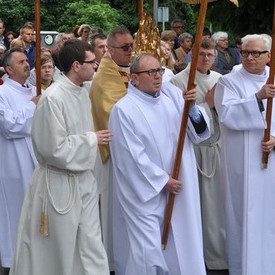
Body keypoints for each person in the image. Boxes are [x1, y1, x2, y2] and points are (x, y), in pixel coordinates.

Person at [10, 39, 109, 274]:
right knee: (60, 251)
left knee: (91, 245)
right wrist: (93, 139)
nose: (96, 66)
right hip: (58, 184)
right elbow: (52, 148)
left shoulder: (83, 91)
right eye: (92, 62)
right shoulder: (53, 98)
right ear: (76, 65)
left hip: (83, 180)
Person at [110, 53, 209, 275]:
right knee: (149, 253)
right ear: (134, 78)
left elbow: (198, 134)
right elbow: (131, 158)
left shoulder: (172, 95)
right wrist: (163, 180)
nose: (158, 76)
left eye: (160, 70)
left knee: (184, 245)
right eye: (151, 72)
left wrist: (192, 108)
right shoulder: (124, 109)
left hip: (180, 188)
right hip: (147, 194)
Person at [215, 33, 275, 275]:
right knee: (243, 215)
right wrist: (258, 97)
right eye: (245, 52)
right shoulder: (228, 82)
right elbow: (226, 114)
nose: (249, 57)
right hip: (241, 159)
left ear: (268, 56)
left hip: (270, 160)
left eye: (256, 53)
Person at [171, 38, 226, 270]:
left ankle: (217, 258)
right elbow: (179, 120)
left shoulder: (220, 79)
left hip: (217, 149)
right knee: (196, 207)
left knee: (216, 208)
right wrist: (206, 104)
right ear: (192, 55)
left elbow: (227, 114)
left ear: (216, 57)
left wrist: (214, 105)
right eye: (201, 54)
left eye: (210, 55)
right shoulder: (178, 81)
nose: (205, 59)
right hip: (194, 152)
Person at [0, 49, 38, 269]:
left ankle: (36, 259)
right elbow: (10, 126)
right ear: (8, 69)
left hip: (37, 161)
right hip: (12, 165)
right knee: (15, 213)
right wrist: (34, 105)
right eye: (21, 62)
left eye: (27, 60)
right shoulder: (0, 94)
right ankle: (14, 260)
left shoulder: (37, 91)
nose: (27, 64)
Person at [89, 26, 134, 268]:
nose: (131, 51)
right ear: (110, 50)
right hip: (115, 155)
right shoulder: (104, 79)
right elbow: (113, 115)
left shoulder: (130, 70)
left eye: (131, 45)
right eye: (125, 47)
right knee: (115, 209)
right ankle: (114, 261)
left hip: (136, 153)